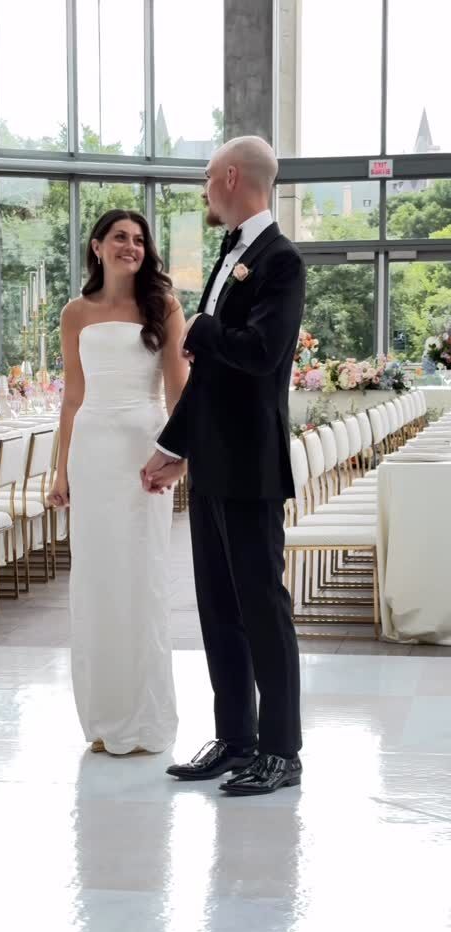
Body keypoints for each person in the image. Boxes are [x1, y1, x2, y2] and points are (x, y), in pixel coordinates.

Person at [141, 136, 305, 796]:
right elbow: (207, 376)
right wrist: (173, 447)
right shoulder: (229, 253)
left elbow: (261, 351)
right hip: (212, 463)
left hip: (252, 466)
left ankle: (282, 751)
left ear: (232, 176)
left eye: (209, 176)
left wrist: (201, 330)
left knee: (263, 609)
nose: (205, 188)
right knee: (217, 610)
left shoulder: (280, 260)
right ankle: (236, 739)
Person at [49, 209, 189, 755]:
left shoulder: (164, 306)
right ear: (97, 246)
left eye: (139, 240)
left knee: (141, 577)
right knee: (95, 579)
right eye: (120, 238)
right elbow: (72, 397)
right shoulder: (75, 312)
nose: (131, 246)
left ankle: (145, 719)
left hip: (142, 453)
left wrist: (179, 452)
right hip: (92, 452)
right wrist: (60, 469)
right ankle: (104, 720)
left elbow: (178, 389)